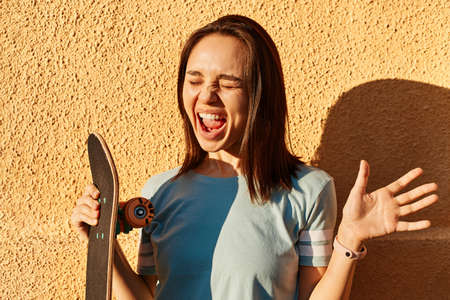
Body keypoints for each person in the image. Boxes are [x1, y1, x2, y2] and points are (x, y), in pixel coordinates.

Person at [71, 15, 439, 300]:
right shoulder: (160, 191)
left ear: (260, 95)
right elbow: (147, 295)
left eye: (228, 84)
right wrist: (103, 243)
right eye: (194, 79)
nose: (207, 96)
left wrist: (350, 237)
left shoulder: (308, 190)